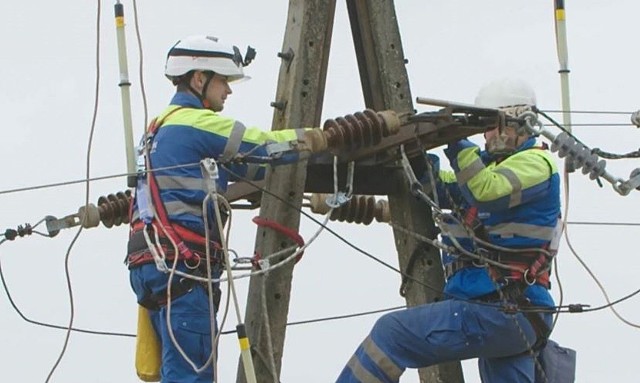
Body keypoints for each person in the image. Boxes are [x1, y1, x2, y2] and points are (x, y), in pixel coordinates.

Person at [336, 78, 567, 383]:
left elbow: (486, 190)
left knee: (392, 335)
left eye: (497, 124)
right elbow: (442, 187)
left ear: (523, 123)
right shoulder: (487, 167)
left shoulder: (536, 162)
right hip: (508, 313)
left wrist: (456, 140)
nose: (491, 134)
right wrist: (418, 157)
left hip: (502, 307)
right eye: (486, 127)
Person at [126, 35, 320, 383]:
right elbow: (266, 147)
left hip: (152, 270)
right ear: (199, 79)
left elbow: (246, 169)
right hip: (182, 270)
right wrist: (323, 138)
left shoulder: (158, 128)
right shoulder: (197, 122)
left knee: (180, 372)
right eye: (223, 82)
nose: (228, 92)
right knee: (192, 376)